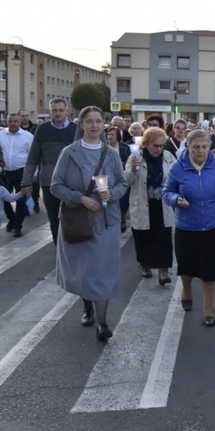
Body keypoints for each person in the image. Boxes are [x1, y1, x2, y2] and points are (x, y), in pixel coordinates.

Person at [51, 106, 128, 341]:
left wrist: (110, 194)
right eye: (89, 121)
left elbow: (123, 184)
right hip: (79, 219)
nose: (94, 126)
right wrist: (80, 198)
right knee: (84, 270)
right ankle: (87, 308)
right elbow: (56, 186)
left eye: (98, 121)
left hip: (107, 220)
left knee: (102, 270)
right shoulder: (69, 153)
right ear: (81, 124)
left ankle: (103, 322)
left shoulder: (112, 154)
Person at [163, 129, 215, 327]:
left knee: (210, 268)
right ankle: (186, 290)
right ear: (187, 147)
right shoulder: (178, 167)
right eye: (196, 147)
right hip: (187, 225)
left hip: (213, 224)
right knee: (186, 265)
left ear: (209, 146)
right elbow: (167, 192)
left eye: (204, 147)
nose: (201, 151)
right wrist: (176, 199)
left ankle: (207, 307)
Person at [21, 98, 77, 245]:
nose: (58, 113)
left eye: (60, 110)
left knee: (73, 217)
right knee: (54, 218)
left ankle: (71, 248)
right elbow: (33, 156)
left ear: (67, 111)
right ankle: (58, 248)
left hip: (72, 182)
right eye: (54, 110)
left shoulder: (76, 129)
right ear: (50, 111)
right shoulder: (42, 129)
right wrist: (26, 181)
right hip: (49, 182)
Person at [126, 127, 177, 285]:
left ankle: (163, 270)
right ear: (146, 144)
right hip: (142, 203)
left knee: (164, 237)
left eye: (162, 145)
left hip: (162, 204)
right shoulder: (135, 158)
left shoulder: (168, 157)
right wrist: (133, 170)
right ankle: (145, 264)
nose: (159, 149)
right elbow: (126, 181)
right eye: (155, 145)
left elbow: (176, 177)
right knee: (143, 237)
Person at [0, 113, 34, 237]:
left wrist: (33, 174)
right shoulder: (1, 135)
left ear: (19, 122)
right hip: (5, 173)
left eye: (15, 121)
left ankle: (18, 225)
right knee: (4, 198)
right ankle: (12, 218)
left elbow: (33, 155)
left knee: (20, 199)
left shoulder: (28, 136)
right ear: (7, 122)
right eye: (10, 121)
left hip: (22, 171)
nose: (13, 124)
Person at [107, 125, 131, 233]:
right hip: (107, 177)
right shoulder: (103, 147)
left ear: (117, 136)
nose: (110, 136)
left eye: (112, 134)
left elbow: (128, 162)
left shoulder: (125, 147)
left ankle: (122, 218)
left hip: (121, 176)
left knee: (123, 199)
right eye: (108, 134)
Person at [18, 109, 40, 213]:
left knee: (35, 187)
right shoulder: (17, 130)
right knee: (23, 187)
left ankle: (35, 203)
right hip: (20, 165)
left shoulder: (35, 128)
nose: (25, 117)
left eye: (26, 115)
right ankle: (25, 207)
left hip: (33, 162)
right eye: (22, 116)